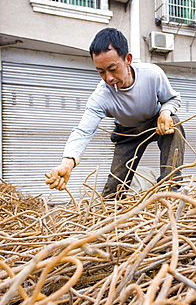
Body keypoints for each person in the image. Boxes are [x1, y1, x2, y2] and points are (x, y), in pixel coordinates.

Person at [45, 28, 185, 197]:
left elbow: (173, 99)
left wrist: (165, 112)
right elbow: (83, 131)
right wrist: (67, 163)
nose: (109, 78)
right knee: (114, 191)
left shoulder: (152, 74)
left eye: (112, 68)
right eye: (101, 71)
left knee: (174, 124)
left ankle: (171, 189)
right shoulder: (101, 96)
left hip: (155, 123)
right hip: (127, 134)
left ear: (128, 60)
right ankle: (111, 212)